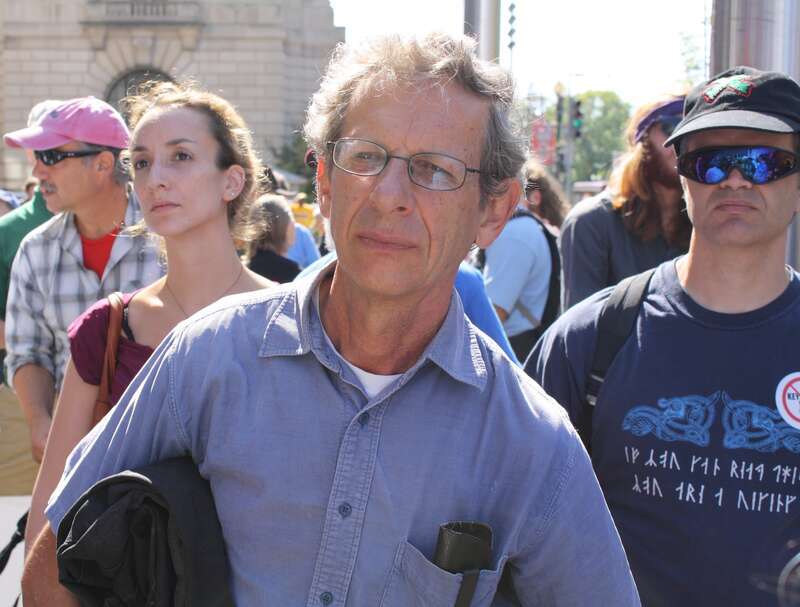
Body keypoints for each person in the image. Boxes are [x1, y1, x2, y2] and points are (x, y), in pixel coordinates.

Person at [25, 33, 638, 606]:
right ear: (323, 181)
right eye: (365, 158)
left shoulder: (528, 441)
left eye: (435, 170)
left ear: (492, 211)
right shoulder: (209, 357)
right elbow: (57, 557)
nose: (389, 193)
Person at [527, 66, 800, 606]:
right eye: (709, 162)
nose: (734, 180)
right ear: (683, 177)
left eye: (764, 162)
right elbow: (508, 520)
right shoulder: (591, 337)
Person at [24, 80, 274, 552]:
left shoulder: (294, 319)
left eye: (180, 156)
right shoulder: (109, 329)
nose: (155, 177)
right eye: (141, 162)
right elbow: (49, 510)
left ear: (232, 180)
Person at [2, 97, 163, 464]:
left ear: (104, 164)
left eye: (52, 157)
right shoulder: (35, 249)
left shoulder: (167, 238)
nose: (39, 171)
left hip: (161, 454)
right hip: (71, 455)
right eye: (38, 158)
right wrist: (41, 422)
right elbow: (28, 351)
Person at [559, 93, 691, 310]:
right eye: (673, 126)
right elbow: (579, 331)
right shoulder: (591, 222)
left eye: (692, 131)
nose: (682, 141)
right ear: (643, 139)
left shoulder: (707, 222)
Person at [483, 158, 564, 360]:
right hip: (522, 348)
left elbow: (492, 314)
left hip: (512, 352)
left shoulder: (516, 234)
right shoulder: (527, 229)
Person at [247, 193, 301, 282]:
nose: (294, 224)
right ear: (281, 226)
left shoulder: (244, 268)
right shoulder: (290, 271)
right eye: (291, 217)